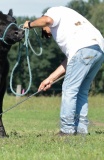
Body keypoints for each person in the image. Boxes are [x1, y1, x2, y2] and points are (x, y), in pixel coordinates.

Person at [24, 6, 104, 136]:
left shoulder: (53, 12)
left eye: (44, 31)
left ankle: (67, 130)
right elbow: (71, 61)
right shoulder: (71, 21)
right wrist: (50, 79)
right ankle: (81, 130)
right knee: (81, 91)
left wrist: (30, 24)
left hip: (84, 50)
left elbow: (47, 20)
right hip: (99, 50)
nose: (47, 34)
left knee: (69, 89)